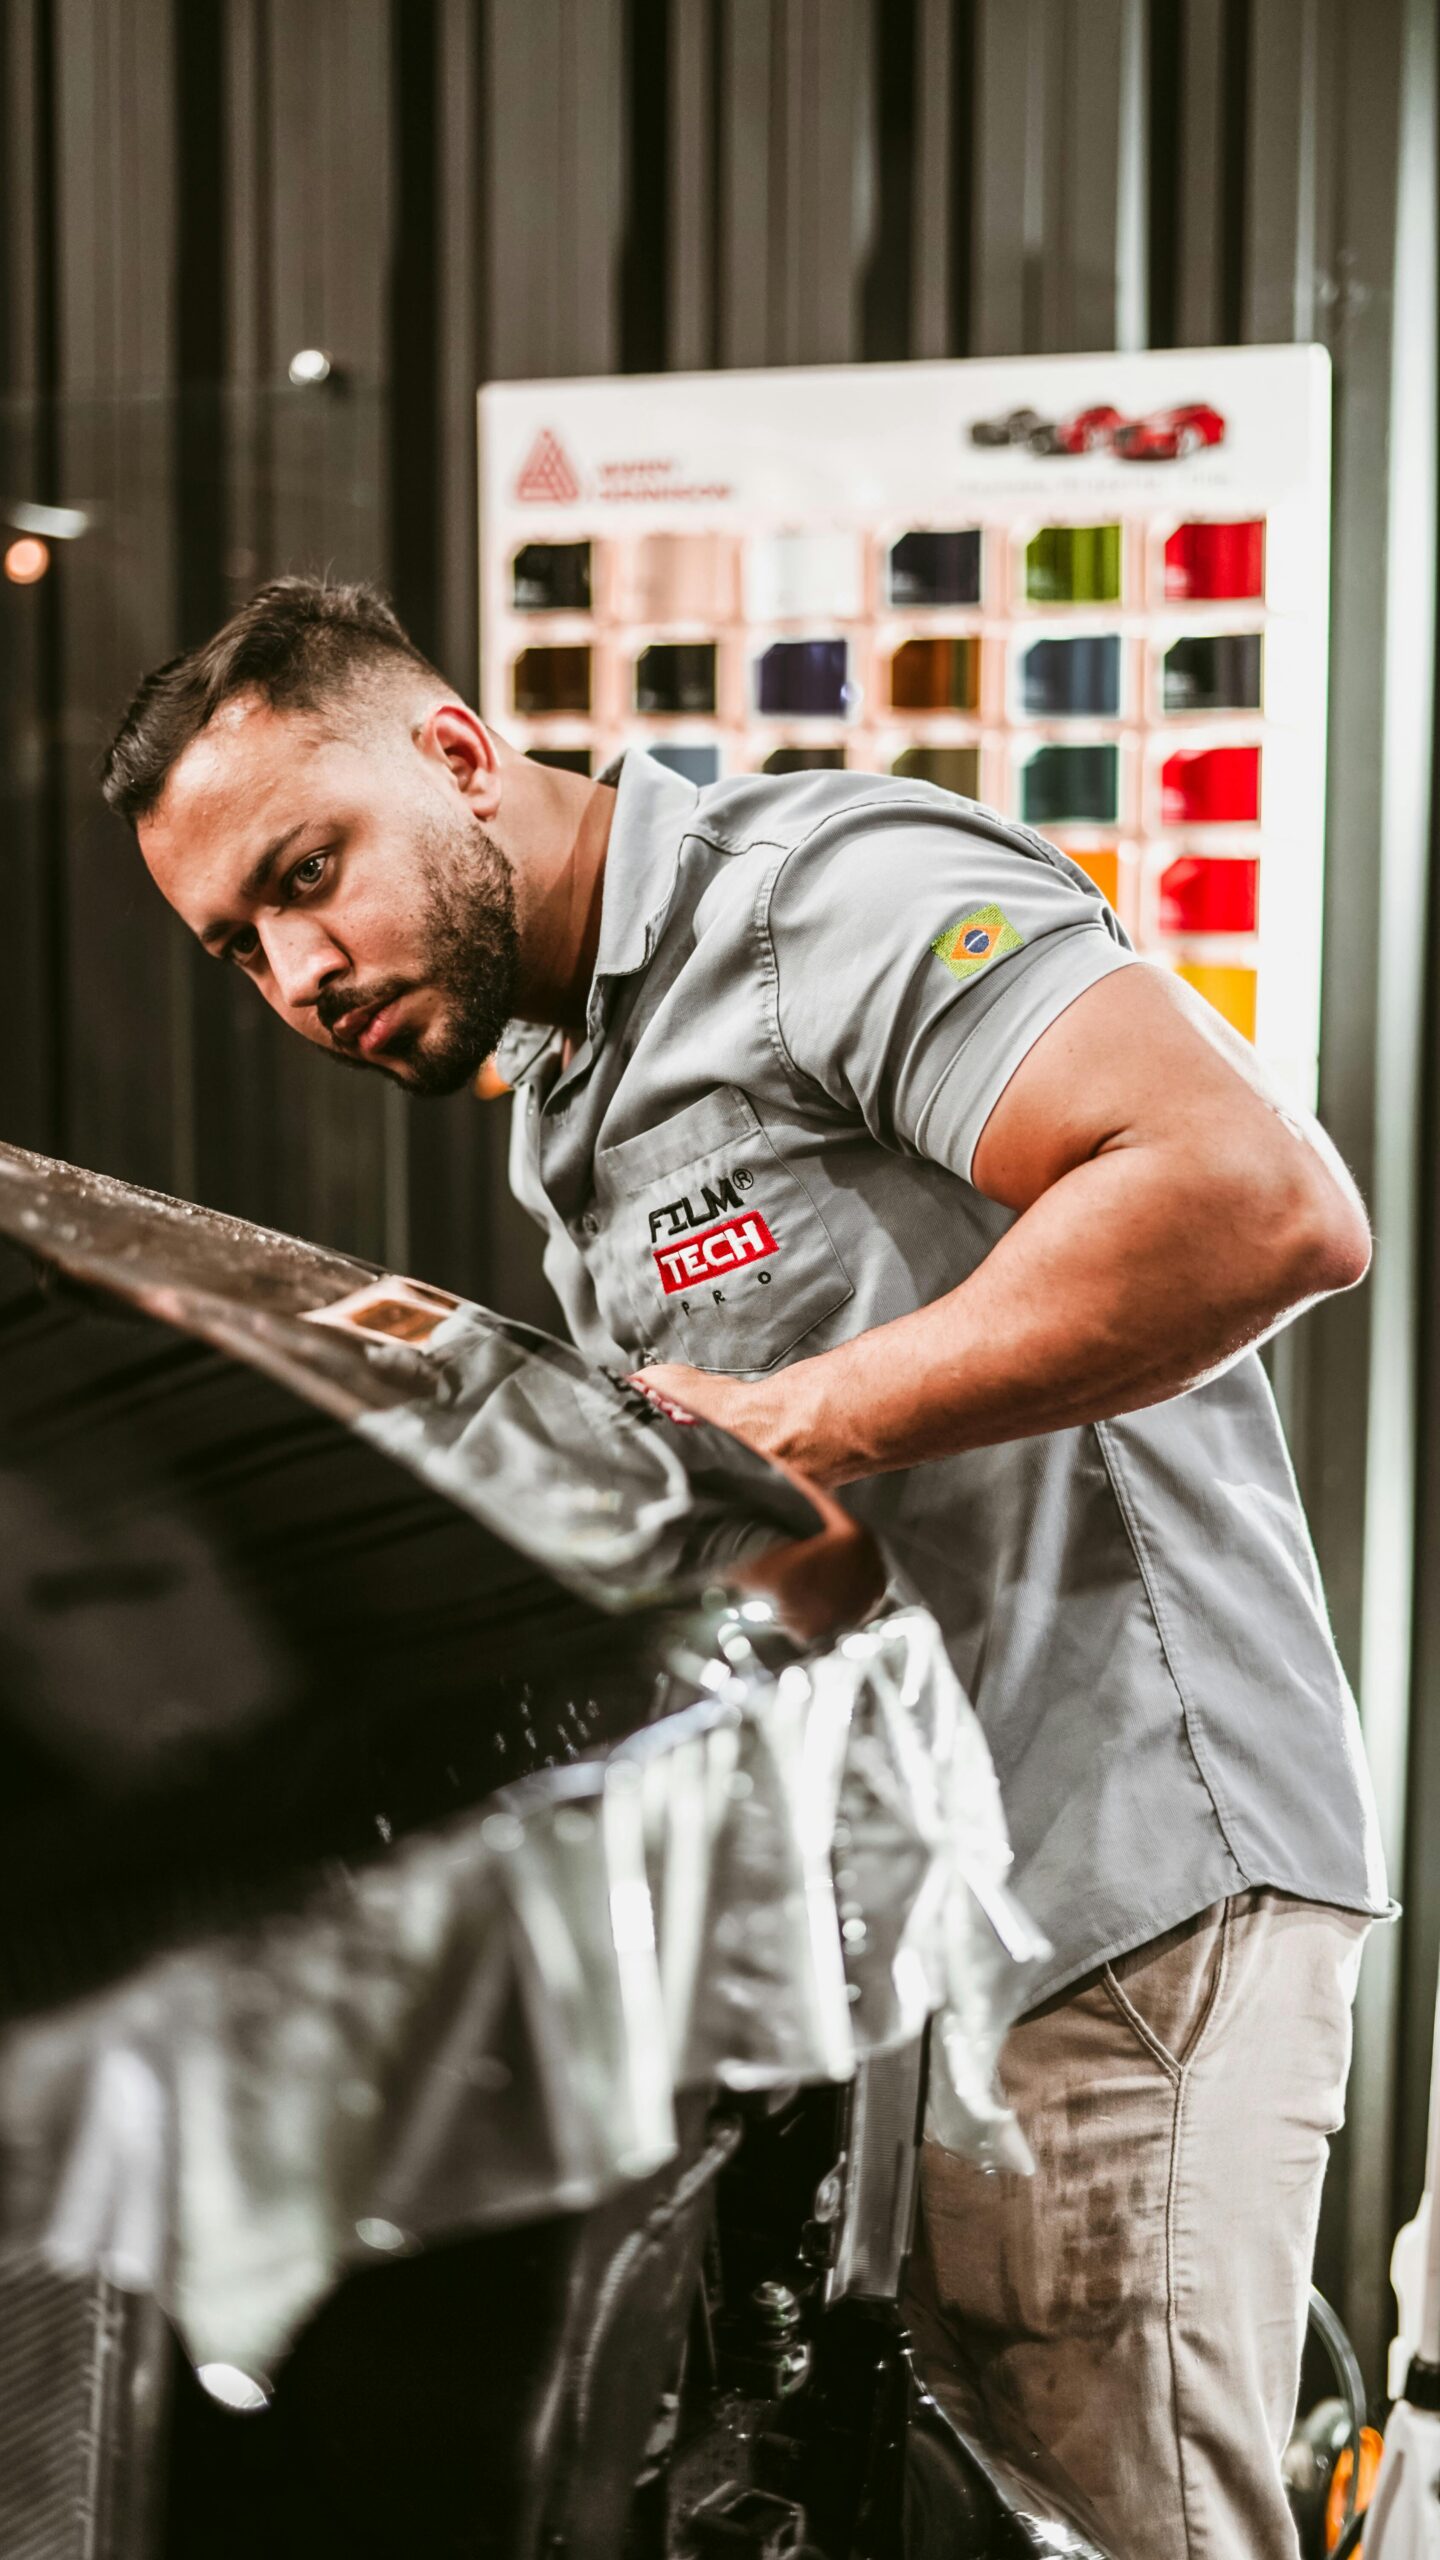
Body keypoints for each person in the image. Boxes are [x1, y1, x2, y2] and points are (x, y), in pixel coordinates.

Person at [105, 576, 1388, 2558]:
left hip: (1123, 1891)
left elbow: (1257, 1201)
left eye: (308, 871)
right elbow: (801, 1550)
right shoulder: (577, 1095)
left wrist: (798, 1418)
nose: (298, 973)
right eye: (236, 944)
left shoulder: (817, 900)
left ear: (456, 753)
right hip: (947, 1953)